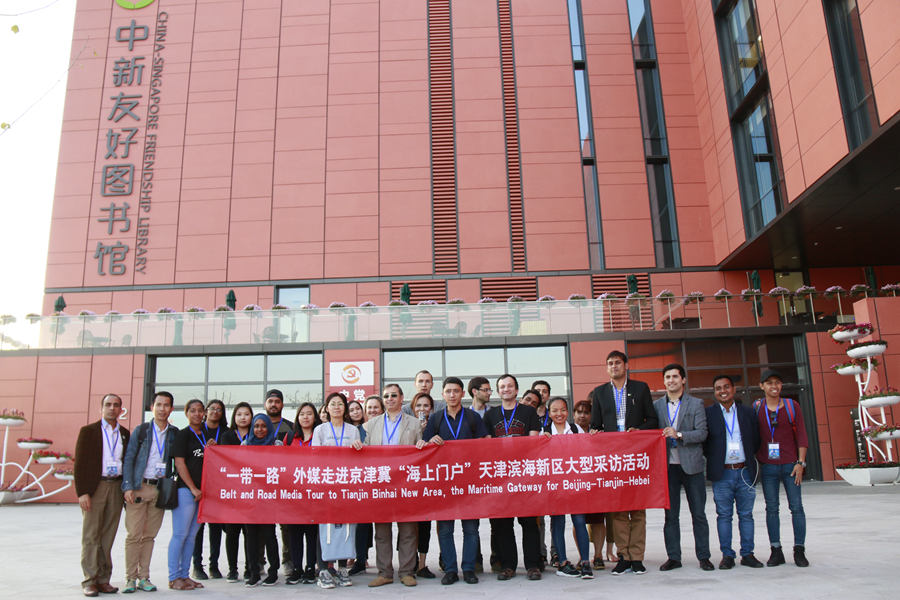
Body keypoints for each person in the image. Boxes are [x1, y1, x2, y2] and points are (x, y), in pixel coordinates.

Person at [589, 350, 658, 575]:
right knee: (618, 511)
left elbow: (653, 420)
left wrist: (639, 431)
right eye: (610, 363)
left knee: (637, 510)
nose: (614, 366)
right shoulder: (600, 392)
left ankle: (637, 557)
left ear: (626, 365)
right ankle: (624, 557)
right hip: (613, 458)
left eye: (617, 362)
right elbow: (595, 425)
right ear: (606, 367)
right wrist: (595, 433)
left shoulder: (640, 388)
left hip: (635, 456)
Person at [417, 377, 489, 585]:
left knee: (471, 529)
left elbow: (486, 442)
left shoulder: (473, 417)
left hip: (469, 481)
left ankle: (468, 569)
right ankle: (450, 570)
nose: (452, 395)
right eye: (448, 391)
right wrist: (431, 441)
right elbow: (425, 445)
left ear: (463, 394)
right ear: (442, 394)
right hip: (444, 482)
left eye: (456, 391)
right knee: (446, 529)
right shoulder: (436, 418)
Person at [653, 364, 712, 572]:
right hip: (668, 468)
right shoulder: (656, 406)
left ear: (683, 380)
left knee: (698, 514)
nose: (671, 380)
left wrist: (678, 435)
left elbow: (702, 433)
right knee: (670, 516)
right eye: (667, 377)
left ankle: (704, 557)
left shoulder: (696, 404)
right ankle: (673, 557)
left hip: (692, 466)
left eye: (675, 376)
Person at [483, 374, 542, 581]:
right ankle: (508, 566)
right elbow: (488, 445)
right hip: (501, 476)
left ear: (516, 390)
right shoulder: (490, 415)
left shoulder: (528, 412)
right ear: (498, 391)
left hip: (524, 474)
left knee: (529, 522)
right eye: (502, 386)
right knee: (503, 524)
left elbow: (533, 442)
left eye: (509, 386)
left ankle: (533, 565)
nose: (506, 389)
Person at [364, 384, 423, 587]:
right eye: (386, 396)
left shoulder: (414, 424)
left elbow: (421, 452)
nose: (389, 399)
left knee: (408, 530)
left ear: (401, 398)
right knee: (382, 532)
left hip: (405, 484)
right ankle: (385, 573)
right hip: (381, 484)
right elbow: (366, 452)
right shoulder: (371, 425)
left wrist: (422, 445)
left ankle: (407, 572)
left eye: (393, 395)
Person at [121, 391, 178, 593]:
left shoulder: (174, 433)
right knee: (134, 535)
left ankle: (144, 577)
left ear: (171, 409)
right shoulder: (142, 430)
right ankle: (130, 578)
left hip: (160, 489)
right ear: (152, 407)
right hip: (139, 487)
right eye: (159, 405)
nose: (162, 409)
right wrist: (128, 486)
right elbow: (129, 458)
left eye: (166, 405)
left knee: (149, 535)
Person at [704, 375, 763, 569]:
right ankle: (727, 555)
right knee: (724, 515)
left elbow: (756, 440)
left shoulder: (747, 412)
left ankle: (748, 554)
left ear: (734, 389)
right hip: (722, 473)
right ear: (715, 392)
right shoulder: (709, 414)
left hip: (745, 471)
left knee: (746, 515)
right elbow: (705, 444)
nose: (723, 391)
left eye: (726, 387)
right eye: (718, 388)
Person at [75, 393, 131, 597]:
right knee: (91, 535)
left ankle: (103, 579)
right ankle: (89, 580)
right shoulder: (89, 431)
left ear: (121, 410)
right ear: (101, 408)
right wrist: (83, 492)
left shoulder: (124, 433)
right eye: (108, 404)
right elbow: (80, 463)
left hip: (116, 487)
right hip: (95, 487)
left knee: (108, 535)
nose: (112, 408)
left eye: (116, 405)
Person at [755, 369, 810, 568]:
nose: (774, 386)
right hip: (768, 466)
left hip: (791, 466)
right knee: (772, 508)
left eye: (777, 382)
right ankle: (776, 550)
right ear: (761, 386)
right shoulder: (757, 407)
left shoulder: (791, 406)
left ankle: (799, 550)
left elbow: (802, 435)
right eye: (769, 383)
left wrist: (801, 463)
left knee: (796, 507)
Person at [311, 392, 363, 589]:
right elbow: (314, 456)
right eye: (333, 404)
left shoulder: (353, 430)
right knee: (324, 526)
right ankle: (323, 569)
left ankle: (342, 568)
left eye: (340, 404)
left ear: (345, 408)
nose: (336, 407)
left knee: (346, 526)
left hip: (347, 484)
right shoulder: (320, 430)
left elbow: (359, 458)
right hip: (326, 484)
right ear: (327, 408)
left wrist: (359, 448)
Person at [541, 397, 593, 579]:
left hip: (574, 483)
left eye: (563, 410)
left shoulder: (576, 428)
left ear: (568, 411)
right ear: (549, 413)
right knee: (558, 522)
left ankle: (585, 562)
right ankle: (562, 562)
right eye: (555, 410)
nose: (559, 414)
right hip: (555, 485)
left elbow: (587, 450)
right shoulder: (544, 431)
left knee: (579, 521)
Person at [192, 399, 237, 581]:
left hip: (218, 485)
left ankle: (214, 564)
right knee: (198, 527)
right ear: (205, 411)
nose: (215, 412)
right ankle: (197, 565)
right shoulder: (198, 430)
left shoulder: (226, 432)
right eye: (212, 408)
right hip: (198, 483)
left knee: (216, 527)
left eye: (219, 409)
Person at [168, 399, 207, 590]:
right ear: (186, 413)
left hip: (203, 493)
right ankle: (173, 577)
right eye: (193, 410)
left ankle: (185, 575)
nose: (197, 414)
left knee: (192, 536)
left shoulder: (206, 435)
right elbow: (179, 463)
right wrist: (192, 488)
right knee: (180, 534)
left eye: (200, 410)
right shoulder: (183, 435)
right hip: (186, 490)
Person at [243, 413, 283, 586]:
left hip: (269, 497)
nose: (260, 429)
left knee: (269, 534)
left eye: (264, 426)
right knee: (250, 536)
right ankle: (254, 572)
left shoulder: (277, 444)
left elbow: (285, 467)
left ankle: (273, 572)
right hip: (250, 497)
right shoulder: (245, 444)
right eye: (256, 426)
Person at [574, 398, 614, 567]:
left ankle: (598, 556)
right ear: (573, 414)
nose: (582, 416)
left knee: (598, 520)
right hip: (575, 482)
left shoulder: (598, 431)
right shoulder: (568, 431)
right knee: (578, 521)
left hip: (596, 482)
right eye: (579, 412)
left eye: (586, 413)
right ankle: (582, 556)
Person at [287, 402, 322, 584]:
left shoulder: (320, 435)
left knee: (311, 533)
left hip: (314, 492)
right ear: (297, 417)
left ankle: (310, 567)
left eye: (309, 414)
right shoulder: (290, 437)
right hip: (294, 493)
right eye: (302, 414)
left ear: (315, 417)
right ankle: (296, 568)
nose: (305, 417)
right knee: (294, 533)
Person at [224, 402, 253, 582]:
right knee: (232, 531)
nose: (243, 418)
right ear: (234, 417)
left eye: (246, 414)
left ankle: (250, 567)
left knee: (250, 532)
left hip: (251, 491)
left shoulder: (256, 434)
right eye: (239, 414)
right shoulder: (227, 435)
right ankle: (232, 569)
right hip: (232, 490)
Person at [411, 392, 437, 579]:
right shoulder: (407, 424)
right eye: (418, 406)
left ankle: (422, 564)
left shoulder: (436, 423)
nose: (422, 409)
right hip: (409, 482)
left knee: (425, 524)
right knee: (408, 525)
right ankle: (409, 562)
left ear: (431, 408)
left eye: (425, 406)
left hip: (429, 482)